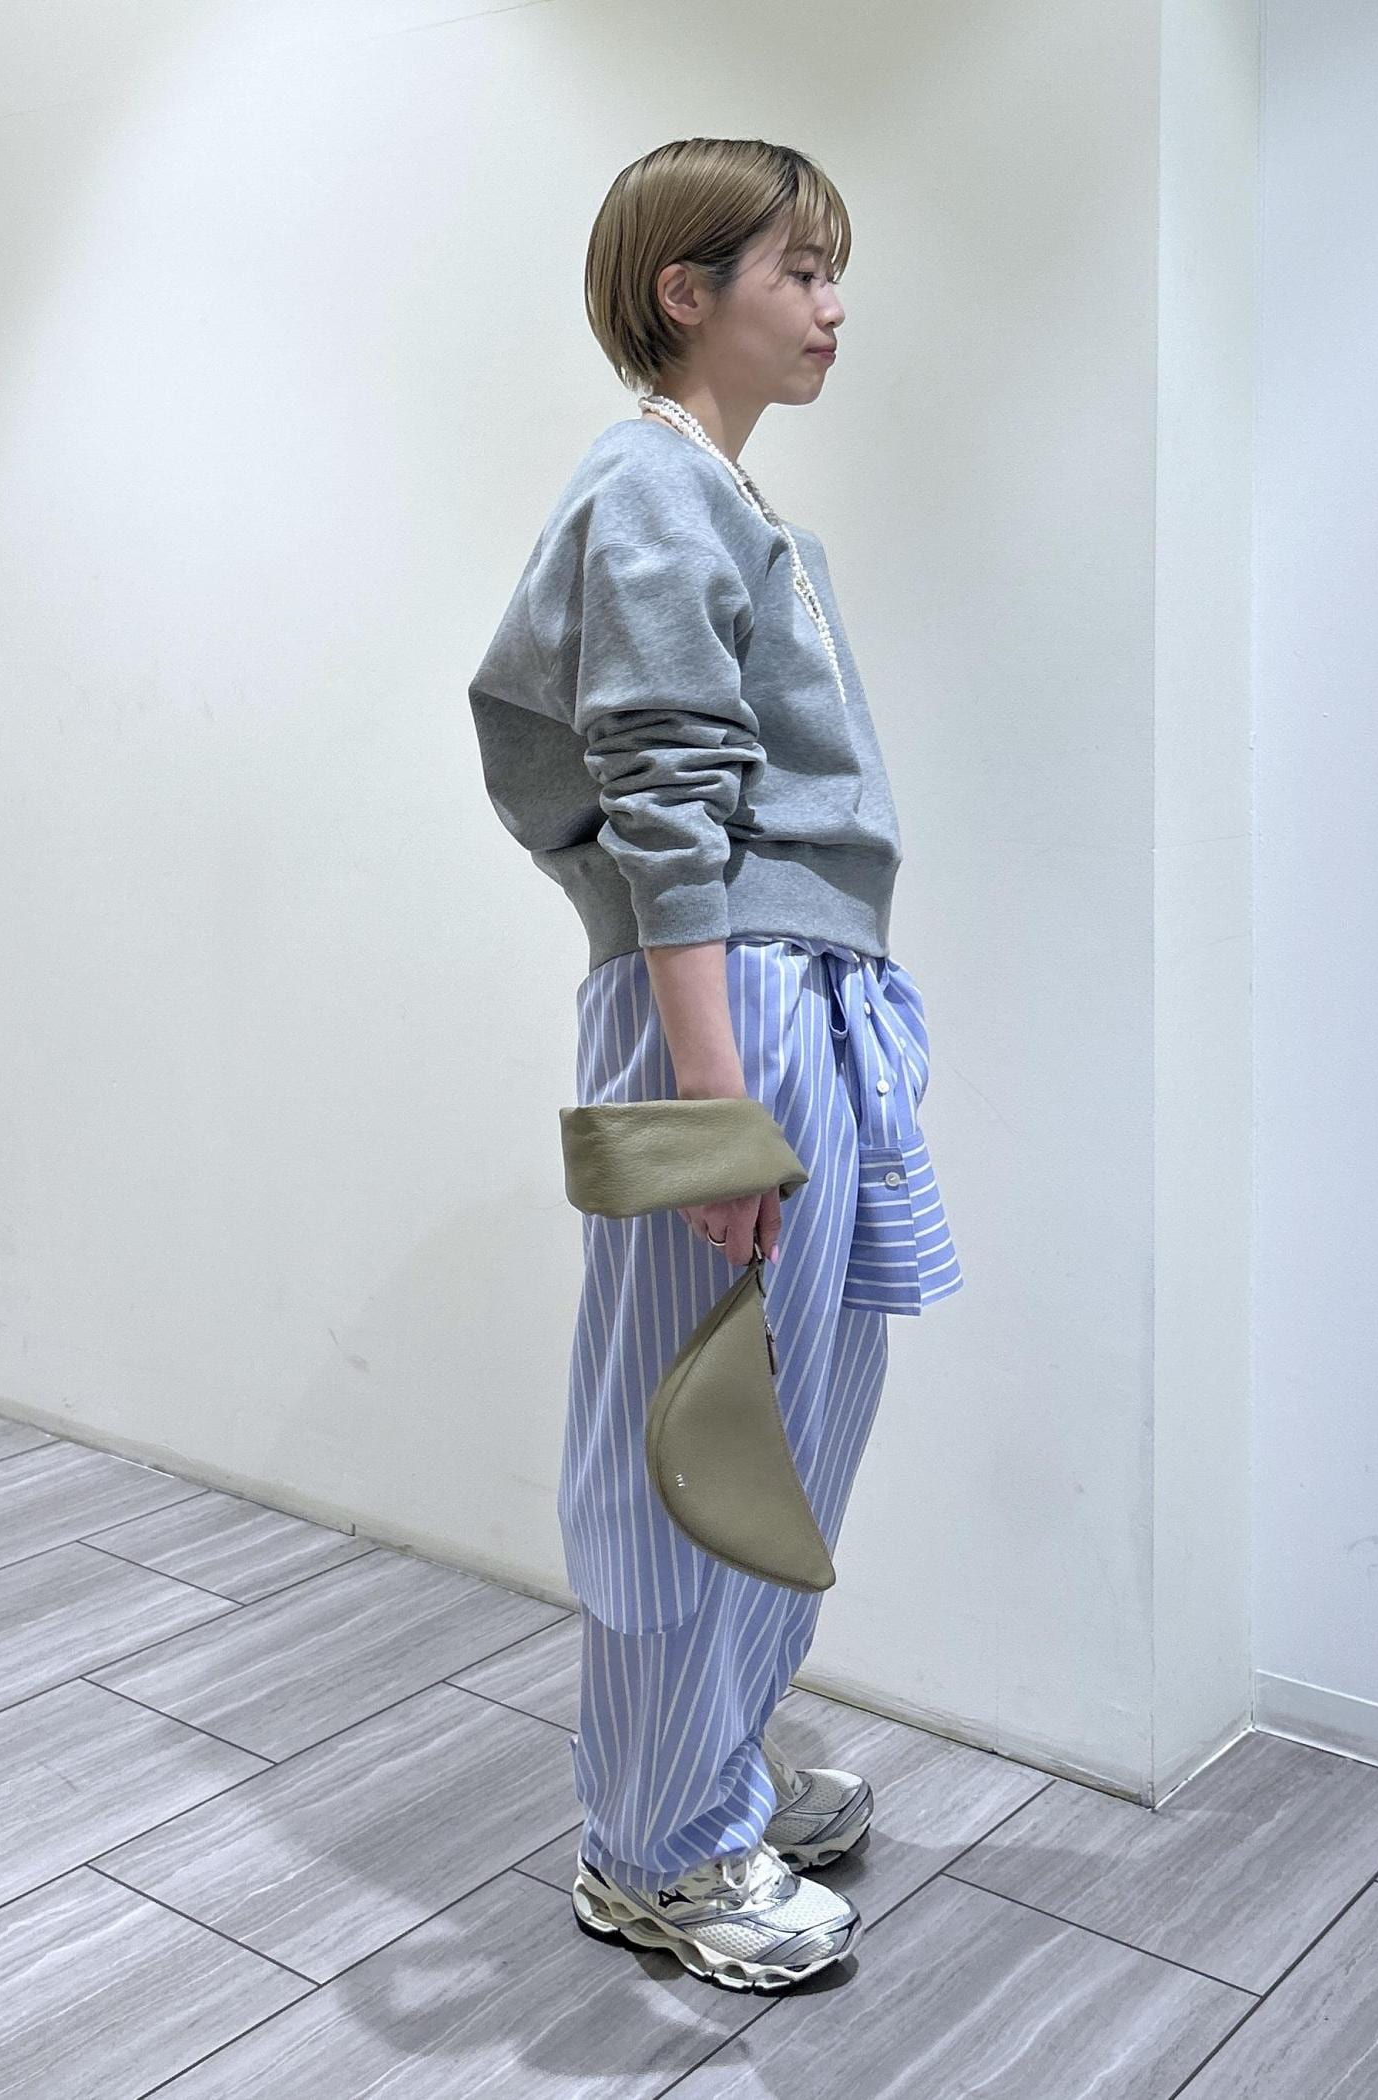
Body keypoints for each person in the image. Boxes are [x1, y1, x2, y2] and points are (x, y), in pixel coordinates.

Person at [467, 136, 965, 1994]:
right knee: (698, 1431)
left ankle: (710, 1776)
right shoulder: (652, 486)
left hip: (787, 991)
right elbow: (663, 807)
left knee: (793, 1417)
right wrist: (713, 1103)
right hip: (727, 1004)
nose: (833, 309)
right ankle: (656, 1853)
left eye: (836, 275)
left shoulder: (725, 503)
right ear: (688, 291)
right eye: (799, 272)